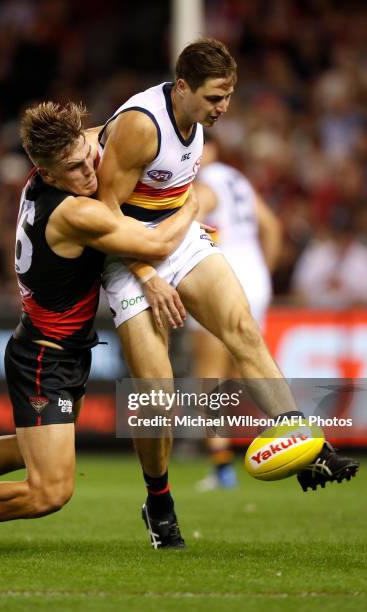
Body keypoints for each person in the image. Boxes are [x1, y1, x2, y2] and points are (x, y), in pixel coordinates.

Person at [0, 101, 199, 555]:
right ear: (47, 175)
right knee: (50, 492)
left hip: (55, 347)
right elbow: (159, 241)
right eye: (73, 169)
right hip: (45, 359)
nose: (90, 172)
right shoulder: (73, 214)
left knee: (28, 446)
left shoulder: (47, 174)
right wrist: (192, 199)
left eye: (87, 157)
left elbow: (102, 135)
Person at [96, 37, 359, 547]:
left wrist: (181, 231)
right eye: (216, 97)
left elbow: (173, 193)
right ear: (183, 88)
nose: (225, 108)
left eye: (229, 96)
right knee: (157, 396)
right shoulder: (141, 126)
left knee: (243, 329)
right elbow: (106, 215)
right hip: (126, 254)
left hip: (177, 238)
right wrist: (148, 277)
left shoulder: (198, 122)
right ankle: (158, 501)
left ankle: (305, 443)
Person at [188, 135, 282, 491]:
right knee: (246, 363)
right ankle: (296, 437)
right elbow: (272, 226)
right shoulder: (236, 178)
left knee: (209, 377)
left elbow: (191, 216)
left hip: (223, 272)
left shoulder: (205, 182)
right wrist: (263, 273)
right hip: (255, 273)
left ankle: (222, 467)